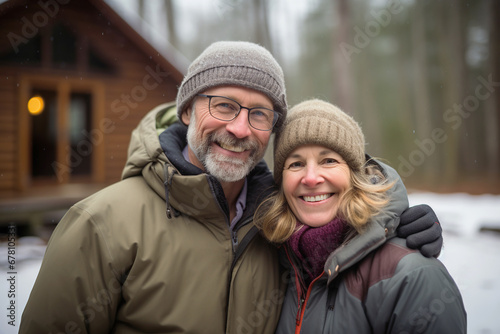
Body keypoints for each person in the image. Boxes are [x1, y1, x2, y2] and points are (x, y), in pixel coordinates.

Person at [20, 42, 443, 334]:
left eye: (259, 114)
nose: (239, 128)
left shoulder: (275, 226)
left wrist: (387, 224)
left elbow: (336, 235)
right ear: (186, 109)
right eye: (224, 105)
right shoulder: (100, 224)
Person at [254, 99, 467, 333]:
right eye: (296, 164)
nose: (311, 178)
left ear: (356, 175)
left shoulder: (412, 277)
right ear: (281, 182)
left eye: (329, 161)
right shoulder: (272, 264)